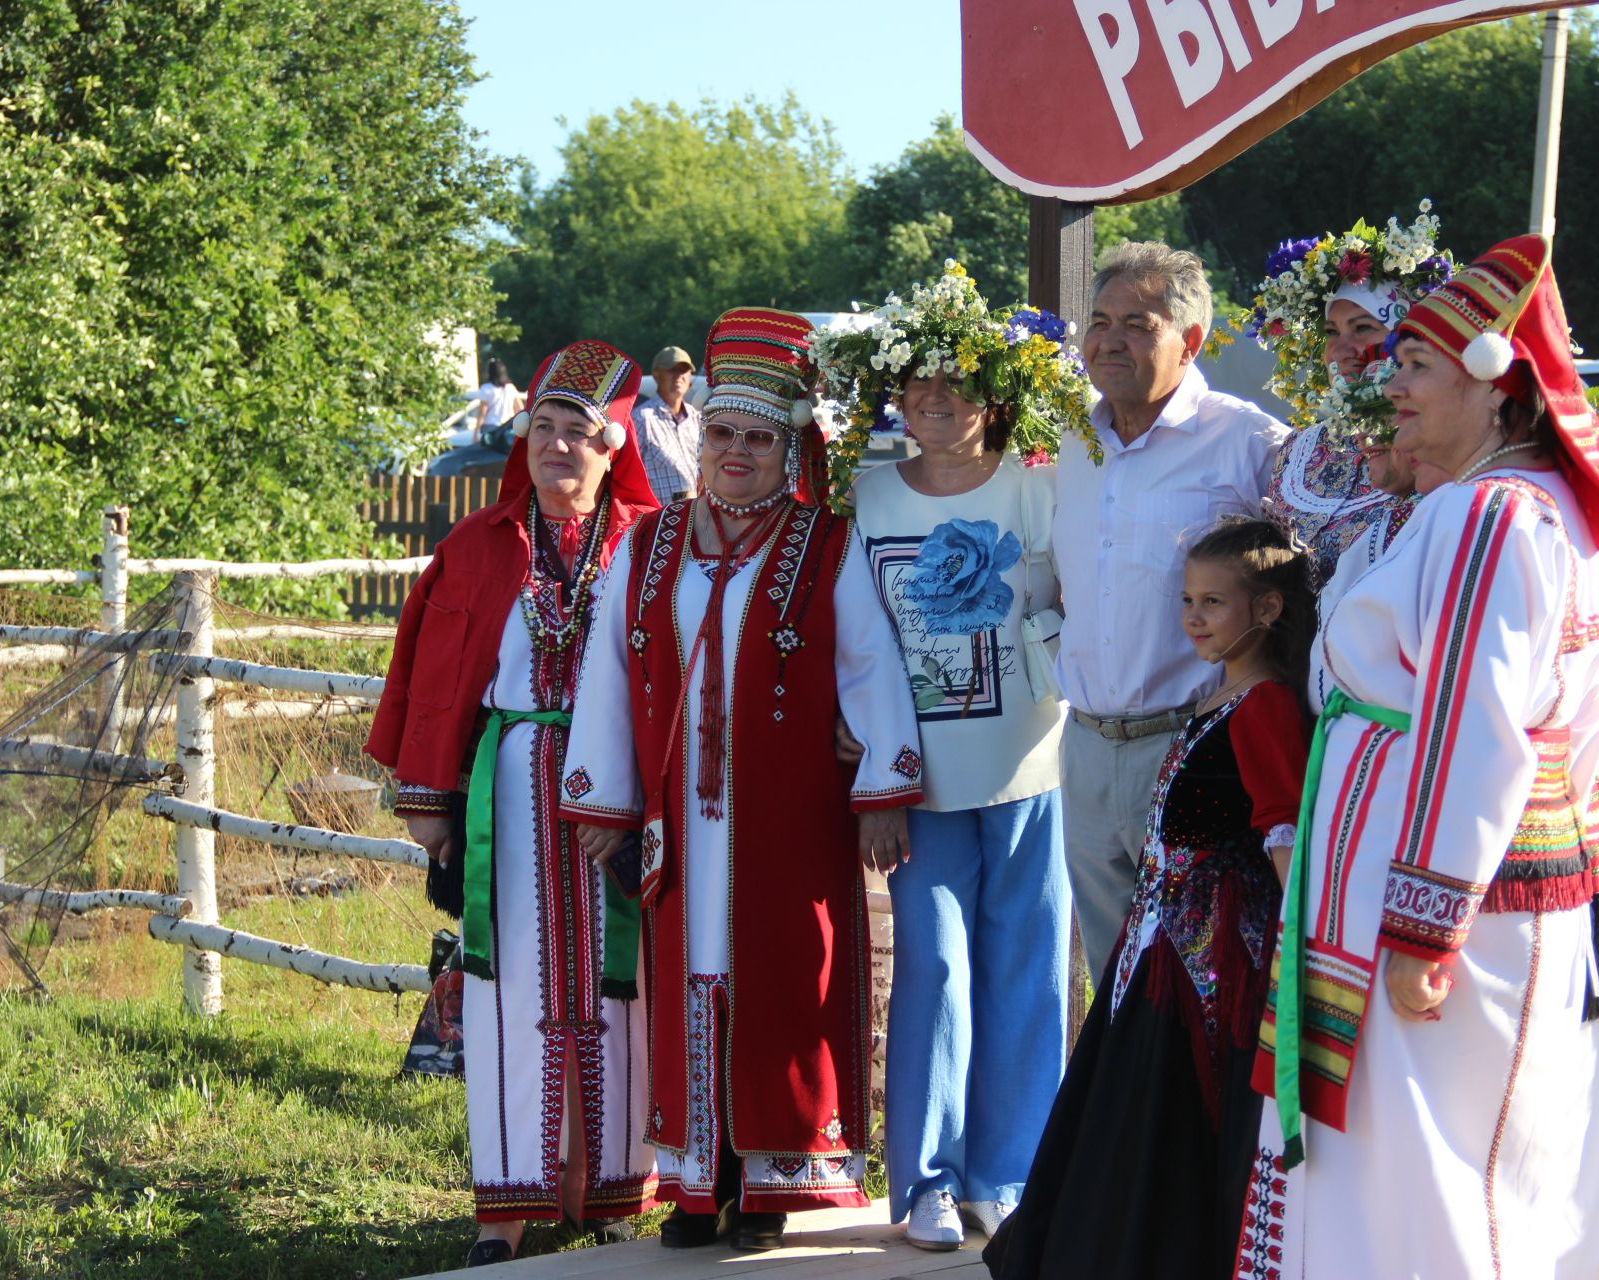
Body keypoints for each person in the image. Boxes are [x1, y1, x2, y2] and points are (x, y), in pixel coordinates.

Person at [1238, 235, 1599, 1278]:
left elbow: (1475, 730)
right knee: (1443, 1158)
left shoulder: (1493, 518)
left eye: (1413, 367)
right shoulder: (1524, 511)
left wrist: (1424, 926)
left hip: (1452, 899)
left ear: (1495, 389)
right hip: (1476, 884)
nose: (1389, 387)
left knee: (1443, 1165)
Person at [559, 307, 925, 1254]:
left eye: (758, 439)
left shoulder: (827, 545)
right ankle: (695, 1184)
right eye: (721, 433)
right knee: (689, 979)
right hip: (678, 816)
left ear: (788, 445)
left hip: (787, 818)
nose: (735, 454)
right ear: (699, 433)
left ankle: (771, 1184)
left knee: (786, 979)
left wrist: (883, 788)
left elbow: (871, 668)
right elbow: (606, 667)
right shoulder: (648, 545)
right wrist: (602, 799)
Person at [365, 340, 661, 1266]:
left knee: (626, 990)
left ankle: (610, 1188)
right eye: (544, 428)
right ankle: (508, 1207)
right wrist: (433, 808)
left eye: (581, 432)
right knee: (510, 994)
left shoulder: (656, 543)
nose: (559, 447)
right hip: (513, 786)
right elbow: (436, 674)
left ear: (615, 449)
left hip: (625, 789)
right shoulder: (477, 546)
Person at [816, 266, 1080, 1250]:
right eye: (919, 385)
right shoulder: (871, 497)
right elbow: (857, 643)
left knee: (1028, 966)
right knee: (930, 967)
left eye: (959, 384)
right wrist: (876, 769)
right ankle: (925, 1175)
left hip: (1031, 769)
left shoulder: (1038, 488)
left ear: (997, 396)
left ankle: (1008, 1171)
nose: (936, 401)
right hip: (921, 785)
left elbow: (1076, 608)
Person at [986, 516, 1313, 1279]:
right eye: (1188, 601)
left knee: (1177, 1110)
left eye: (1213, 603)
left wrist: (1292, 945)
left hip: (1208, 961)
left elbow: (1284, 829)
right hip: (1160, 941)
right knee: (1132, 1103)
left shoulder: (1264, 705)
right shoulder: (1218, 697)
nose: (1193, 619)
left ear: (1265, 610)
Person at [1056, 240, 1289, 973]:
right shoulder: (1066, 441)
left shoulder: (1247, 441)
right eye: (1099, 320)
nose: (1109, 340)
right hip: (1088, 750)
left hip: (1196, 746)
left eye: (1136, 322)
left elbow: (1298, 589)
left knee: (1204, 981)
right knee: (1112, 981)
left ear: (1189, 341)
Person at [1242, 207, 1452, 583]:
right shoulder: (1299, 451)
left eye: (1364, 328)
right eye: (1332, 332)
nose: (1341, 350)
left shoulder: (1437, 446)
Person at [632, 344, 704, 502]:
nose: (679, 376)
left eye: (683, 370)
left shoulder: (697, 418)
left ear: (690, 376)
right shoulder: (641, 419)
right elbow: (628, 474)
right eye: (672, 369)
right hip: (660, 520)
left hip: (698, 515)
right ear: (656, 375)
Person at [462, 358, 522, 446]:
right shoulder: (510, 387)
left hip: (490, 427)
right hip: (507, 428)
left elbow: (482, 413)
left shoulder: (486, 388)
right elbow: (519, 409)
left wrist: (476, 432)